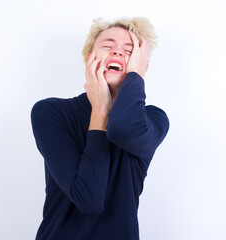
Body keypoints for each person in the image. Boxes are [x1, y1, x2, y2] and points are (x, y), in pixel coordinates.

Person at [30, 17, 169, 240]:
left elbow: (124, 129)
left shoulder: (153, 119)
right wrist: (100, 108)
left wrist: (135, 76)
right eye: (108, 46)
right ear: (89, 58)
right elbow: (89, 198)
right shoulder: (51, 112)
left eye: (129, 50)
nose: (117, 52)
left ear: (141, 66)